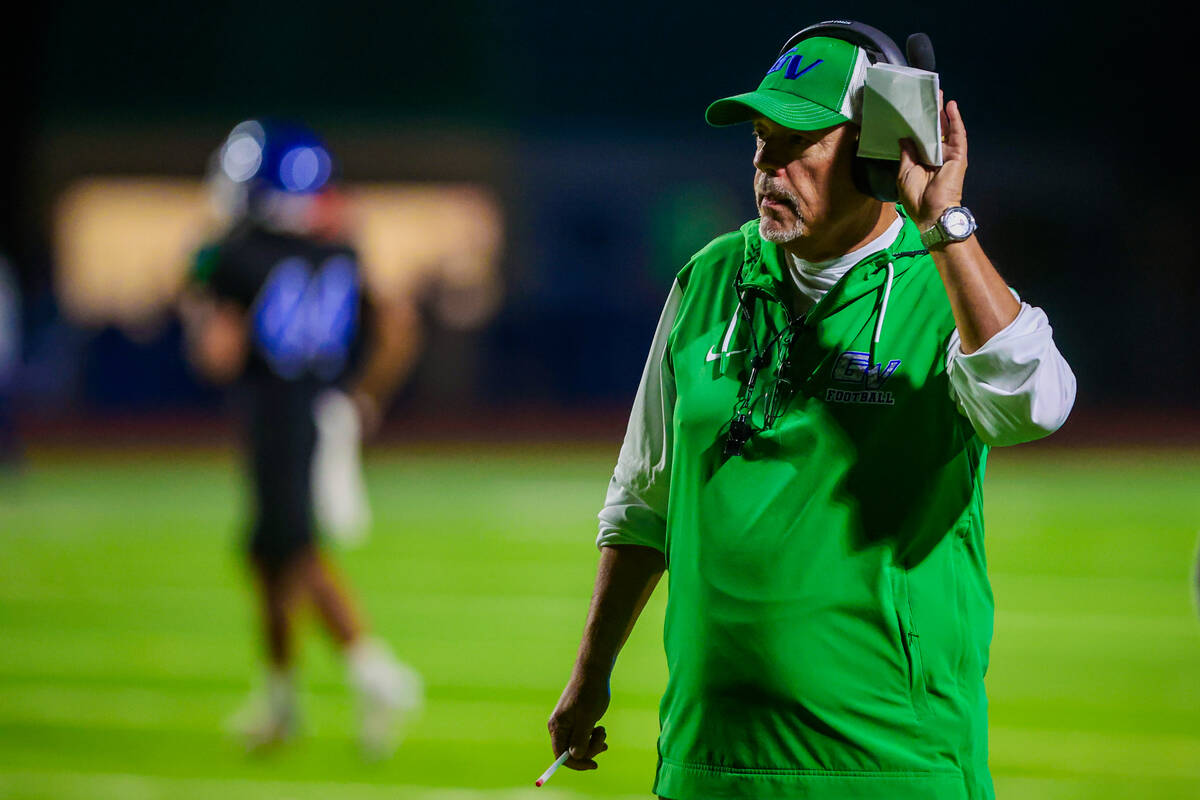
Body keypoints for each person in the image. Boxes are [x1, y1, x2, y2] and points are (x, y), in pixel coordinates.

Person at [548, 21, 1076, 800]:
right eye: (762, 140)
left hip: (893, 765)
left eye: (799, 141)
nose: (768, 164)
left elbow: (1033, 405)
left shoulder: (945, 284)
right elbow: (643, 499)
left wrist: (946, 224)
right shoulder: (710, 278)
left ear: (876, 152)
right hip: (709, 762)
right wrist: (591, 674)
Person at [180, 119, 422, 756]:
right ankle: (281, 701)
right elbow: (398, 324)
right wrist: (365, 396)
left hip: (276, 412)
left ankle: (375, 673)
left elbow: (218, 357)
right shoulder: (339, 251)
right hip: (327, 410)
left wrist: (198, 297)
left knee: (291, 550)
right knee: (268, 554)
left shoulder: (236, 254)